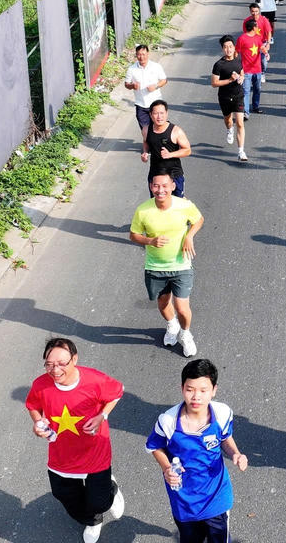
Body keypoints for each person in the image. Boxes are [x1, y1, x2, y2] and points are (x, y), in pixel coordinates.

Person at [25, 338, 125, 543]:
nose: (55, 370)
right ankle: (93, 521)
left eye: (62, 363)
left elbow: (117, 392)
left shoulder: (94, 380)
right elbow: (33, 406)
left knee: (100, 502)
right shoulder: (40, 384)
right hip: (62, 454)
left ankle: (111, 490)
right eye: (49, 364)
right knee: (63, 494)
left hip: (94, 452)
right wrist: (38, 423)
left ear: (75, 359)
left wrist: (102, 415)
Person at [146, 359, 249, 543]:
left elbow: (225, 438)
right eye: (190, 389)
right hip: (184, 501)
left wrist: (236, 453)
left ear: (214, 390)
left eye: (203, 390)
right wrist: (166, 468)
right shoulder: (167, 421)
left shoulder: (223, 413)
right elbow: (154, 446)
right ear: (182, 388)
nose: (196, 397)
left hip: (216, 497)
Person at [129, 172, 204, 357]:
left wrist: (189, 236)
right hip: (155, 268)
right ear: (151, 187)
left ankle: (185, 334)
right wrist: (150, 241)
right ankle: (172, 325)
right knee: (163, 304)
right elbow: (133, 235)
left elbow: (199, 219)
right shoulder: (143, 210)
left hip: (181, 265)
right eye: (156, 186)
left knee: (182, 308)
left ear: (172, 186)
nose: (160, 190)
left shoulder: (184, 205)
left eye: (164, 186)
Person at [140, 100, 191, 197]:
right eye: (156, 113)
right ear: (151, 115)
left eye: (162, 113)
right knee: (156, 203)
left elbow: (187, 150)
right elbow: (146, 142)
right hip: (155, 176)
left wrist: (170, 154)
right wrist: (145, 152)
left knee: (178, 203)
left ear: (167, 113)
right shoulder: (146, 130)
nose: (159, 117)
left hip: (174, 175)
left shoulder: (176, 131)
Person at [210, 35, 248, 162]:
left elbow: (242, 71)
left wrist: (242, 77)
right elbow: (214, 83)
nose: (228, 49)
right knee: (228, 120)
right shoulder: (218, 65)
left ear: (234, 47)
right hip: (224, 97)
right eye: (225, 47)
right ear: (222, 49)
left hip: (238, 95)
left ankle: (241, 152)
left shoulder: (238, 59)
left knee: (240, 123)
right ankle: (229, 129)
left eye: (230, 46)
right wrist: (230, 80)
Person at [123, 44, 168, 137]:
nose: (141, 57)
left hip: (155, 104)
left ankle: (161, 143)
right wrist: (132, 86)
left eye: (143, 54)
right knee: (145, 131)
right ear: (136, 55)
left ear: (148, 54)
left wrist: (155, 86)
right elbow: (126, 84)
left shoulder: (156, 66)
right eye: (139, 54)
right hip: (141, 105)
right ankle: (149, 144)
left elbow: (164, 80)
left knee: (159, 128)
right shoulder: (131, 69)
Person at [235, 19, 266, 115]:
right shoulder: (242, 38)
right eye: (256, 26)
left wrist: (266, 53)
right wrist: (235, 65)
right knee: (246, 91)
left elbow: (261, 47)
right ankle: (246, 112)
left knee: (257, 89)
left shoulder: (258, 37)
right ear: (253, 28)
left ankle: (255, 106)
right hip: (246, 71)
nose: (258, 28)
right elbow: (236, 52)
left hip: (257, 69)